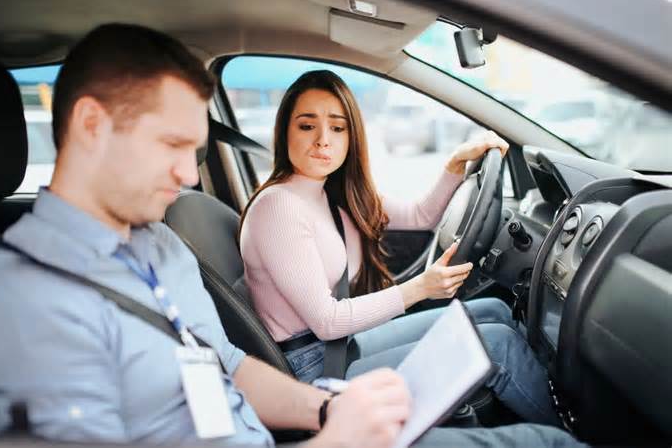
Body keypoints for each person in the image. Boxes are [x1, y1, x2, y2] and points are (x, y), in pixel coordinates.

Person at [0, 23, 585, 448]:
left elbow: (230, 366)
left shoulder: (156, 245)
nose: (190, 176)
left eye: (197, 150)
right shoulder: (22, 307)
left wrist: (326, 408)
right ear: (91, 125)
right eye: (173, 147)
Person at [239, 70, 558, 425]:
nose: (323, 140)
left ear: (351, 137)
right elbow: (328, 322)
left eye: (338, 128)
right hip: (314, 371)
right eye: (306, 125)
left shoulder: (333, 194)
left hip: (338, 345)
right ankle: (570, 436)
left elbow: (421, 215)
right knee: (498, 345)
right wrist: (421, 287)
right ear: (284, 132)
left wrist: (455, 165)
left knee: (494, 310)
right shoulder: (279, 206)